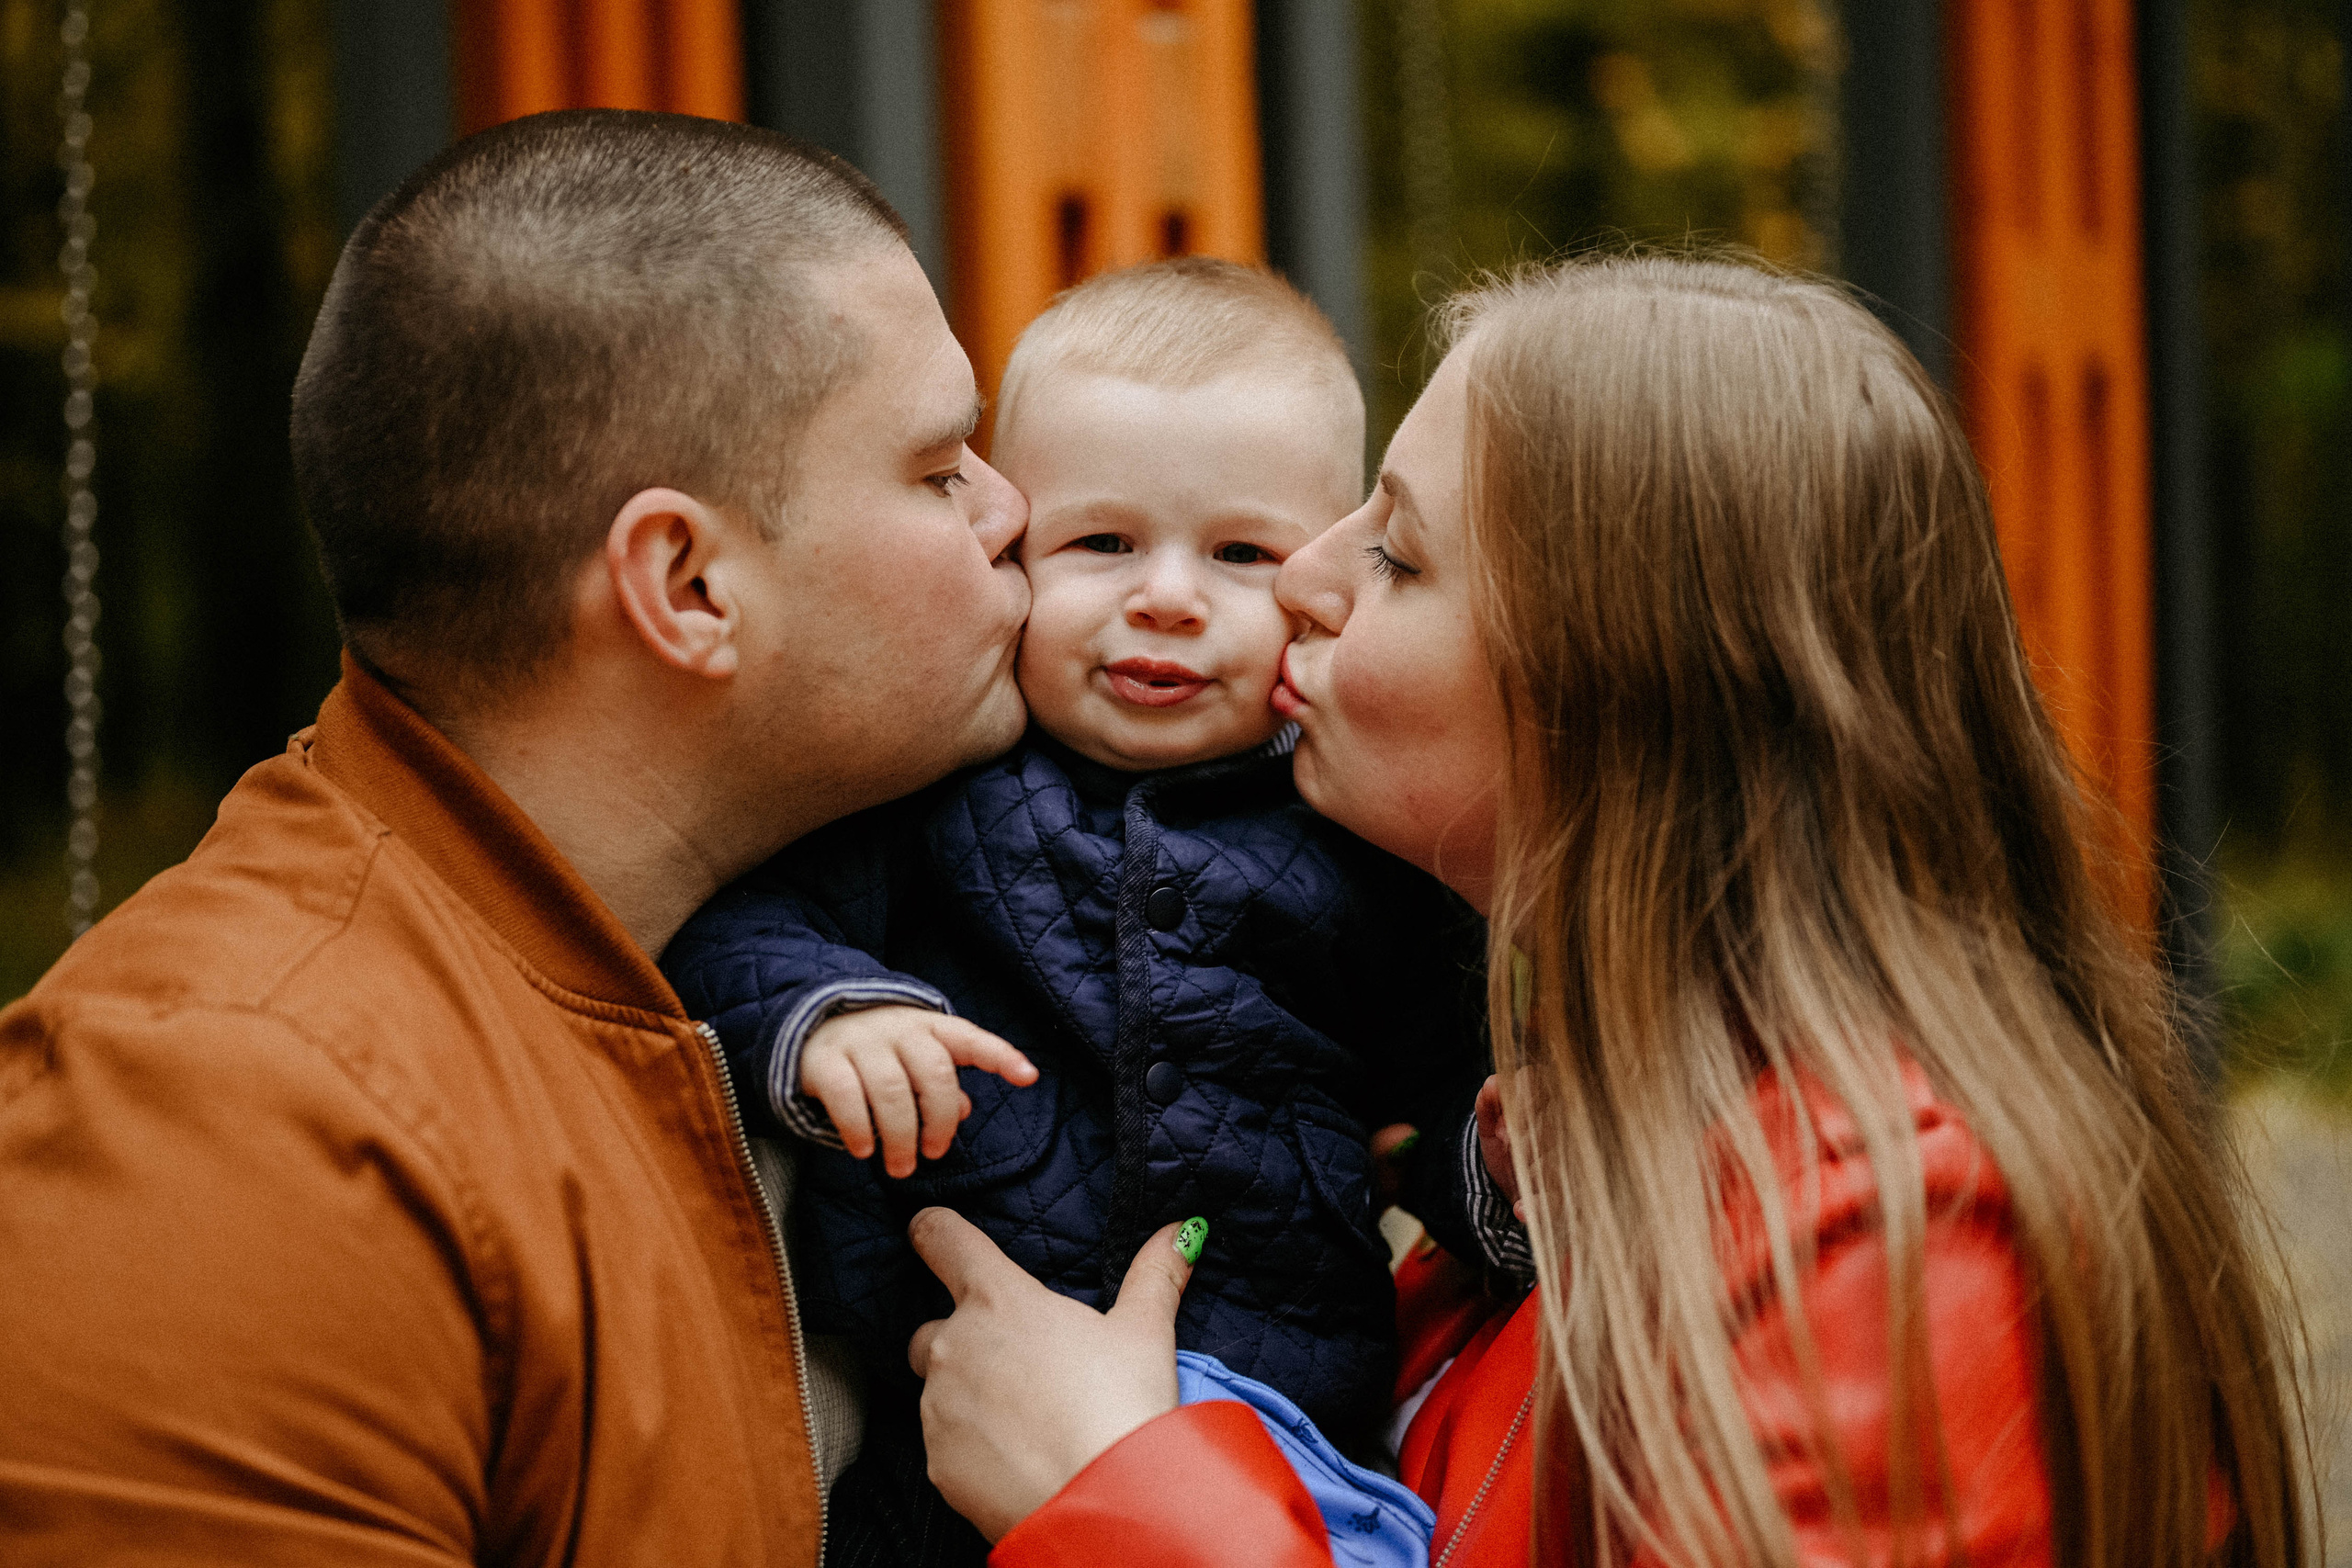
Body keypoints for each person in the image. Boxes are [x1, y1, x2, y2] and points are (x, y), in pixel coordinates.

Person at [900, 256, 2312, 1566]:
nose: (1308, 582)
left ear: (1612, 689)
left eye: (1395, 554)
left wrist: (1118, 1485)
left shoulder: (1894, 1235)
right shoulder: (1578, 1160)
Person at [0, 110, 1029, 1564]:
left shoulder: (838, 918)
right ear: (686, 586)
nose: (1012, 512)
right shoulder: (244, 1134)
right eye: (940, 470)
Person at [663, 258, 1490, 1568]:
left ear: (1328, 572)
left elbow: (1447, 1076)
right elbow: (734, 919)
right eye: (1101, 544)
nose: (1166, 594)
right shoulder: (937, 784)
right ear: (1011, 547)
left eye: (1241, 554)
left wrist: (1503, 1184)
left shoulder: (1353, 831)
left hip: (1280, 1420)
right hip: (943, 1409)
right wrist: (829, 1016)